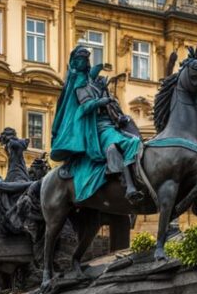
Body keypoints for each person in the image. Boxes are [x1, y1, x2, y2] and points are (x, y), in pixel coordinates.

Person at [51, 46, 144, 205]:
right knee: (117, 146)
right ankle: (128, 185)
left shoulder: (91, 82)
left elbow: (110, 106)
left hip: (111, 124)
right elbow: (84, 107)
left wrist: (116, 113)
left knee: (135, 140)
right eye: (80, 60)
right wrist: (100, 101)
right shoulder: (79, 81)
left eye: (85, 59)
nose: (83, 62)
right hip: (96, 128)